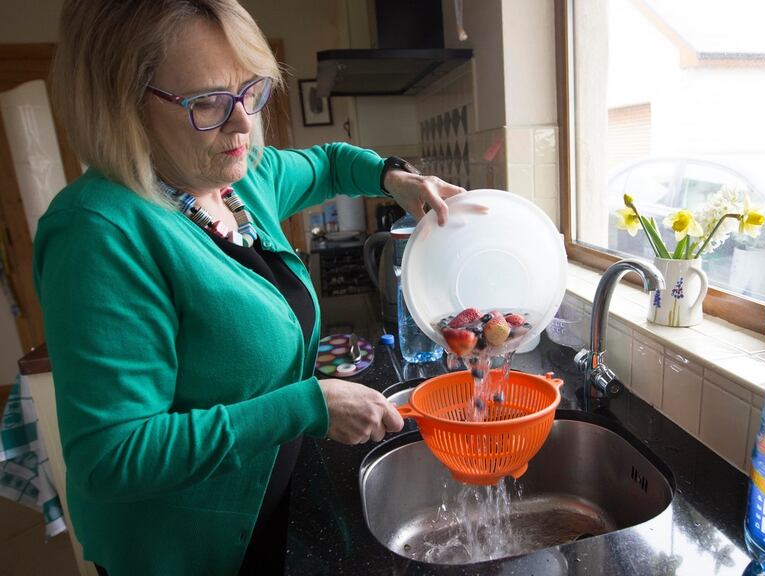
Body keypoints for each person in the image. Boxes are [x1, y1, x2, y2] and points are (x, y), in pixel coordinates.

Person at [35, 1, 465, 574]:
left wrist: (396, 179)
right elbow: (113, 457)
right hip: (188, 552)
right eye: (207, 102)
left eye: (249, 90)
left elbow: (334, 162)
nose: (243, 122)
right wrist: (306, 405)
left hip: (268, 502)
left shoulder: (239, 180)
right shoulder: (99, 232)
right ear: (123, 105)